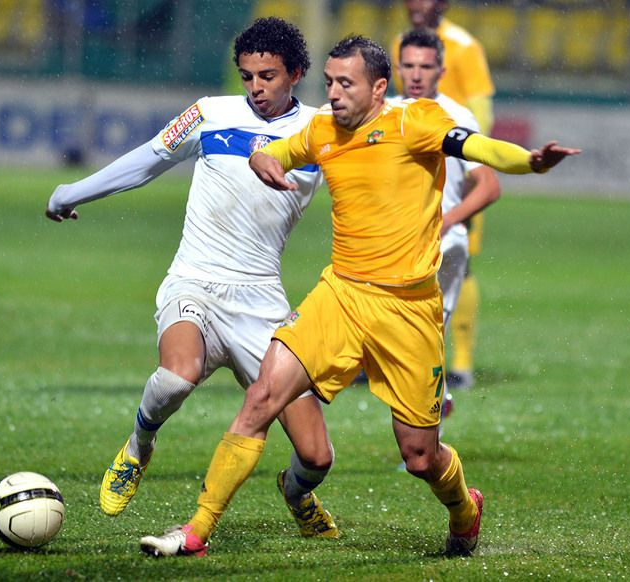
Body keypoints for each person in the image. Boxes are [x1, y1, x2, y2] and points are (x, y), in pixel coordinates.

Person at [140, 36, 579, 558]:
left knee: (420, 457)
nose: (333, 93)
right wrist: (263, 159)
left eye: (345, 83)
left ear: (378, 87)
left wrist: (529, 161)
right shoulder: (323, 129)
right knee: (261, 397)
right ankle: (196, 530)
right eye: (329, 82)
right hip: (341, 296)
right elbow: (276, 150)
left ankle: (465, 509)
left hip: (408, 310)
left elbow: (479, 147)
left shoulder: (415, 122)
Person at [45, 17, 338, 541]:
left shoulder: (322, 131)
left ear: (296, 73)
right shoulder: (209, 113)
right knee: (178, 376)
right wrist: (72, 191)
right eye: (247, 76)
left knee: (316, 456)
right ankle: (139, 445)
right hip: (195, 281)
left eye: (268, 76)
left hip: (261, 300)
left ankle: (296, 494)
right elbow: (146, 161)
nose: (255, 87)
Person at [391, 0, 495, 389]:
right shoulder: (402, 41)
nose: (417, 4)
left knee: (458, 267)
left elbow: (482, 113)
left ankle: (460, 364)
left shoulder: (464, 46)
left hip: (455, 161)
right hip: (410, 166)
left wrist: (466, 158)